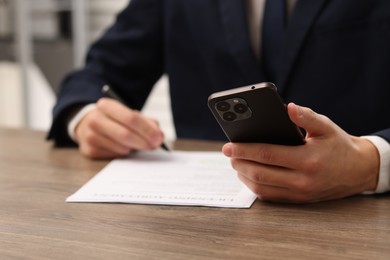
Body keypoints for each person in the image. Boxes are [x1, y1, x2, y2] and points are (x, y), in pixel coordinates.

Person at [48, 0, 390, 203]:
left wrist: (371, 163)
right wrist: (86, 116)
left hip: (360, 222)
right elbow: (96, 74)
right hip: (206, 227)